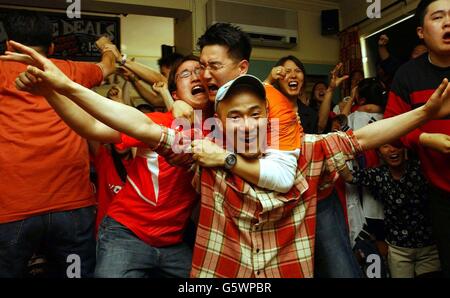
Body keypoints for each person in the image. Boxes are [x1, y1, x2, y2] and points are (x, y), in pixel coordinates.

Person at [5, 41, 450, 278]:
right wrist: (63, 85)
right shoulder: (203, 152)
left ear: (270, 118)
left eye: (257, 112)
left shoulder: (306, 151)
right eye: (234, 115)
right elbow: (138, 126)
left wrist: (425, 113)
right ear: (217, 122)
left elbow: (366, 134)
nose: (247, 122)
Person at [0, 11, 116, 278]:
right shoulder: (69, 71)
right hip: (72, 207)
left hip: (13, 209)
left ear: (9, 45)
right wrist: (107, 47)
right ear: (51, 48)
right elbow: (108, 65)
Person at [384, 0, 450, 277]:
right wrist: (424, 138)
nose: (448, 23)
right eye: (438, 17)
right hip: (441, 195)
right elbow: (392, 128)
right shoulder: (408, 75)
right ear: (422, 32)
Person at [343, 142, 441, 278]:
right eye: (386, 146)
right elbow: (349, 177)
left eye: (397, 145)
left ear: (404, 148)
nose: (392, 150)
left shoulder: (420, 169)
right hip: (398, 252)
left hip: (429, 250)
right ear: (379, 153)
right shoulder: (378, 175)